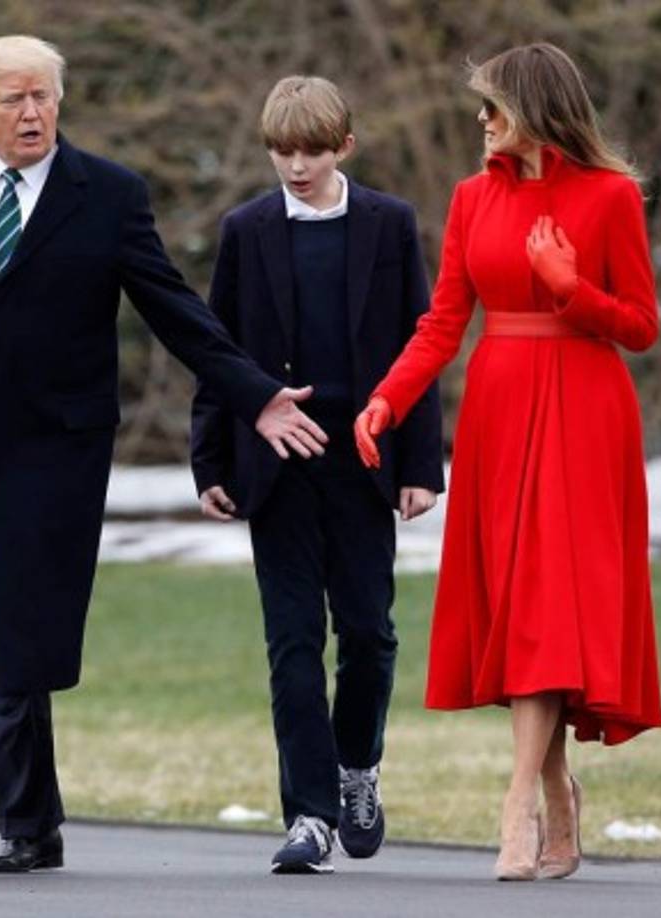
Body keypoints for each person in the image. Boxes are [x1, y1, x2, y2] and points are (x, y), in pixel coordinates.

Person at [0, 35, 330, 880]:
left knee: (4, 618)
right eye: (15, 99)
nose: (33, 113)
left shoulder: (107, 194)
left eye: (45, 97)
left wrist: (254, 394)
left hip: (58, 447)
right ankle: (35, 824)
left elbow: (173, 308)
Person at [354, 43, 661, 881]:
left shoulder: (607, 197)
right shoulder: (468, 199)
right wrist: (387, 396)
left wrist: (570, 288)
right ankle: (558, 797)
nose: (480, 123)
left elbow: (639, 325)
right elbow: (443, 321)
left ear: (530, 109)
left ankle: (516, 802)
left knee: (551, 607)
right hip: (499, 409)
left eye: (491, 108)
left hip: (586, 414)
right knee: (525, 607)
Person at [191, 75, 444, 874]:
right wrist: (211, 461)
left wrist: (419, 463)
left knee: (367, 633)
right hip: (275, 465)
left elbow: (421, 345)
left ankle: (356, 769)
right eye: (280, 152)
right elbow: (216, 351)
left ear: (344, 146)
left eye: (309, 151)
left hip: (365, 459)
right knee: (292, 641)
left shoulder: (388, 224)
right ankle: (307, 814)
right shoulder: (247, 229)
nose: (294, 166)